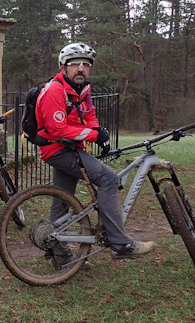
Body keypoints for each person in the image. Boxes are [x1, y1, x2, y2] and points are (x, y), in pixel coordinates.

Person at [35, 42, 155, 261]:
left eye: (86, 64)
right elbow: (57, 129)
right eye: (74, 64)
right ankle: (120, 244)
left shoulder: (83, 90)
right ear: (64, 67)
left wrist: (101, 134)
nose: (80, 68)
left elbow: (89, 118)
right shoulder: (55, 90)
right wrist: (92, 135)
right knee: (109, 179)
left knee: (63, 198)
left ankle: (58, 252)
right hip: (57, 149)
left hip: (70, 148)